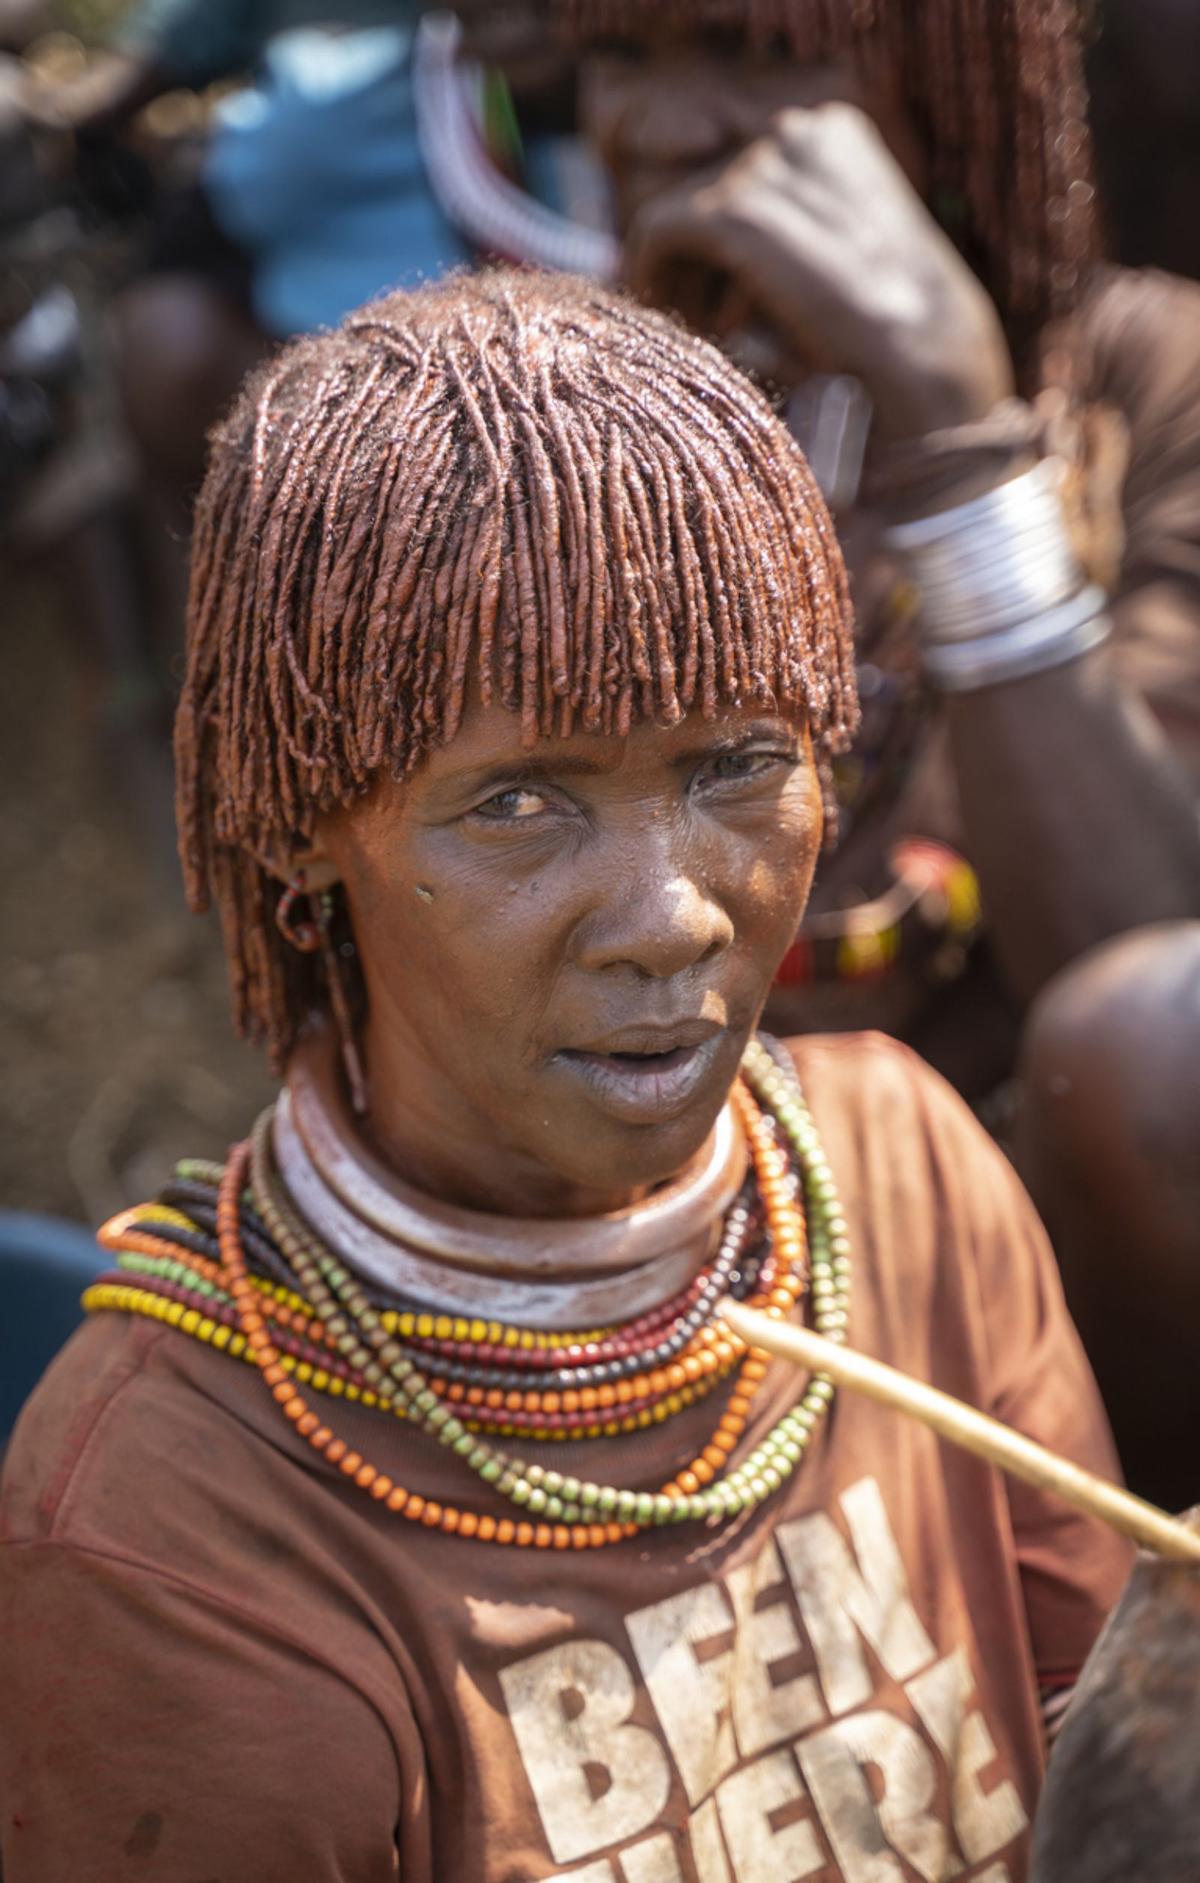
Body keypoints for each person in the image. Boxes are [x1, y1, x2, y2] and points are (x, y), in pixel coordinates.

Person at [0, 269, 1129, 1881]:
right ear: (309, 825)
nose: (673, 918)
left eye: (740, 764)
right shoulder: (171, 1524)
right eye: (520, 802)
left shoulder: (897, 1173)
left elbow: (1108, 1793)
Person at [551, 0, 1200, 1494]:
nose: (662, 124)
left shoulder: (1141, 375)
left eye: (760, 57)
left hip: (1033, 1254)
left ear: (956, 70)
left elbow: (1151, 1005)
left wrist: (956, 441)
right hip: (648, 1228)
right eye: (621, 59)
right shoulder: (554, 414)